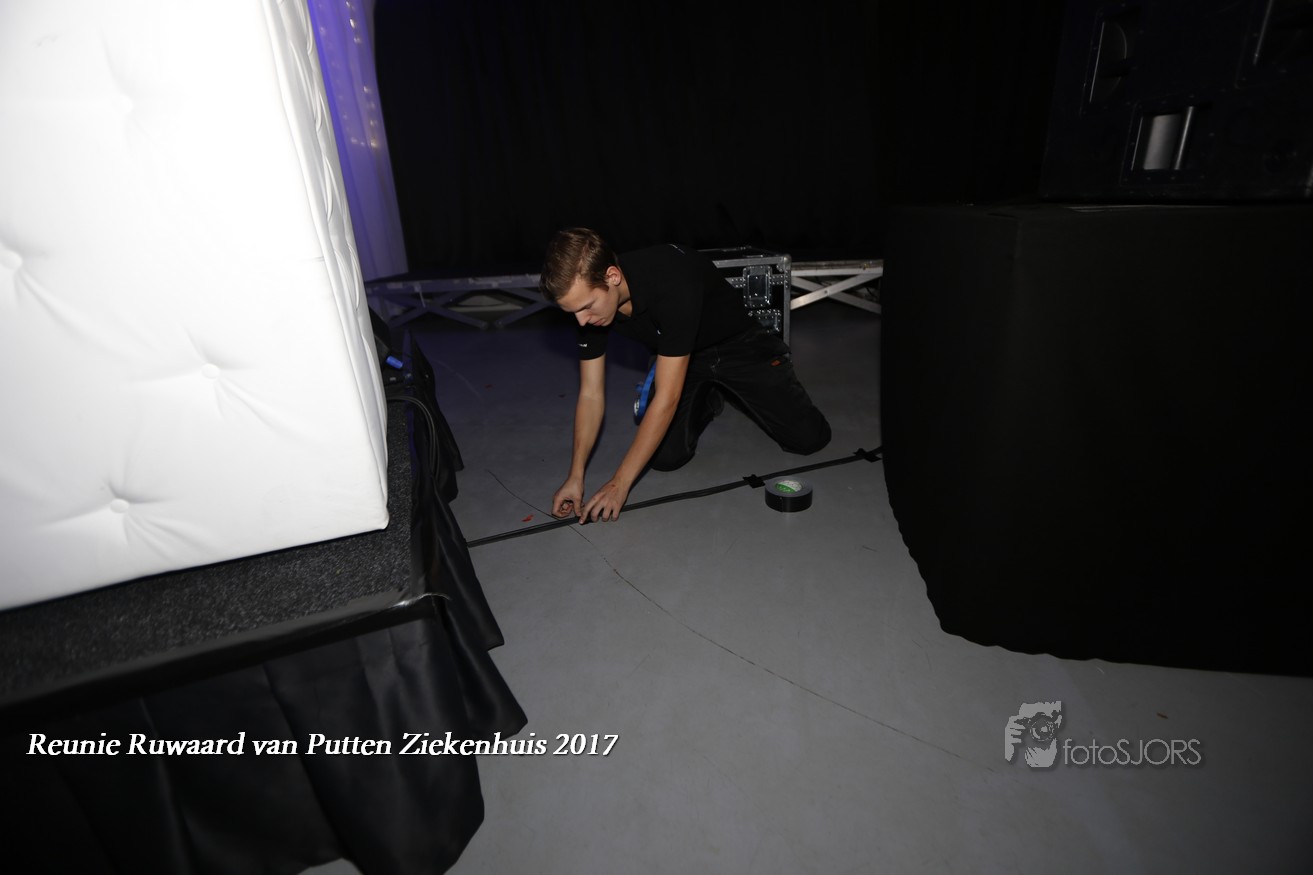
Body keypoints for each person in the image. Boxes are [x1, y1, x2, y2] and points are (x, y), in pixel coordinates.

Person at [539, 227, 831, 523]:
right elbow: (590, 394)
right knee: (665, 458)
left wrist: (619, 484)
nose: (581, 321)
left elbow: (667, 397)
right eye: (573, 312)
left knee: (808, 439)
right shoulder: (589, 310)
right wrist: (575, 476)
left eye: (586, 307)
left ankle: (728, 385)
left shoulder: (671, 279)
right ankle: (710, 396)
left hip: (739, 345)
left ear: (612, 276)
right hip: (681, 358)